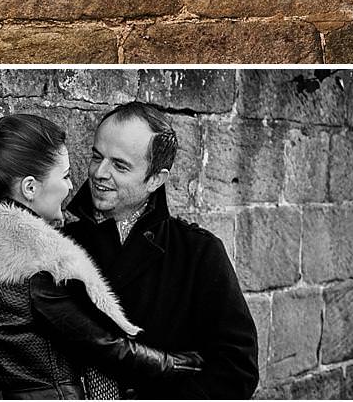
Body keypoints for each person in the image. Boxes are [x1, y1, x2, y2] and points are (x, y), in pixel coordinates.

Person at [0, 113, 205, 400]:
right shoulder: (31, 267)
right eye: (64, 176)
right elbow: (104, 346)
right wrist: (179, 363)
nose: (72, 185)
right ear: (29, 188)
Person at [64, 101, 258, 400]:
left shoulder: (198, 251)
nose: (99, 172)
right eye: (96, 156)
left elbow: (236, 370)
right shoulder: (61, 244)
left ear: (156, 179)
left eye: (119, 165)